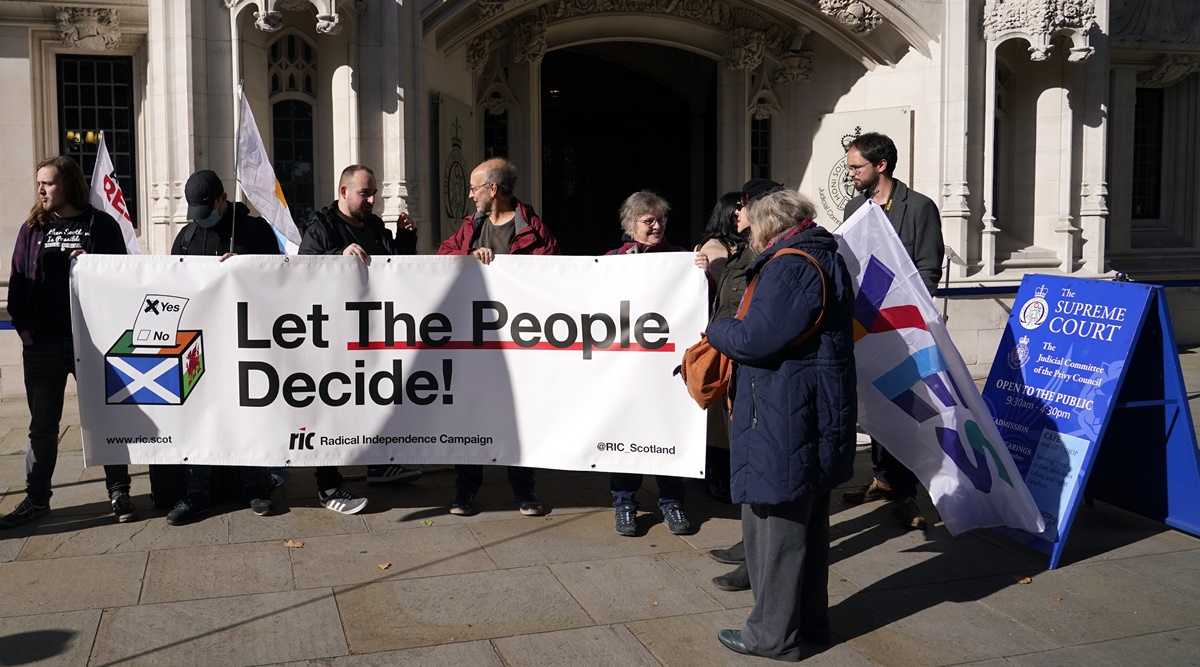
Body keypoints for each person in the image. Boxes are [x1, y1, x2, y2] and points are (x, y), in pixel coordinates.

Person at [707, 188, 857, 661]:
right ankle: (810, 624)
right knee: (806, 528)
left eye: (750, 226)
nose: (747, 234)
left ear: (770, 225)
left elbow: (754, 338)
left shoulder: (789, 264)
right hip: (809, 405)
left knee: (778, 529)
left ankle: (770, 637)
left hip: (786, 410)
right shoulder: (820, 255)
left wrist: (716, 328)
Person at [1, 156, 137, 528]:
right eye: (39, 183)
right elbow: (17, 284)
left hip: (91, 345)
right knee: (43, 425)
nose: (41, 190)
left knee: (104, 417)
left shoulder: (101, 225)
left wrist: (95, 264)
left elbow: (124, 278)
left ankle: (119, 490)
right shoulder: (32, 228)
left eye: (49, 183)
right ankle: (36, 498)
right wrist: (27, 335)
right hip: (43, 346)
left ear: (69, 185)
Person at [438, 158, 557, 517]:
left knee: (518, 417)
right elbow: (444, 256)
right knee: (470, 415)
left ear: (493, 189)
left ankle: (525, 491)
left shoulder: (534, 230)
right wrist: (469, 256)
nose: (470, 194)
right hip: (474, 342)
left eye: (475, 187)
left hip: (517, 342)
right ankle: (465, 491)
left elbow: (550, 275)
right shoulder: (471, 226)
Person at [299, 164, 419, 514]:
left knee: (372, 400)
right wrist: (337, 258)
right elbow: (301, 271)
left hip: (373, 331)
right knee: (329, 408)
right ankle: (328, 485)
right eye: (365, 193)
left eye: (374, 194)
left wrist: (406, 239)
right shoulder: (321, 229)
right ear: (343, 192)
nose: (371, 200)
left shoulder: (376, 226)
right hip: (333, 336)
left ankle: (378, 466)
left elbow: (397, 268)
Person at [840, 131, 945, 531]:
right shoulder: (856, 205)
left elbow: (928, 268)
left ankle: (906, 493)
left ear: (880, 165)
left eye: (857, 166)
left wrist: (907, 313)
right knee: (874, 405)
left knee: (905, 407)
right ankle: (882, 479)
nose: (851, 173)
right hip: (864, 326)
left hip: (902, 330)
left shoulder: (919, 207)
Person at [164, 170, 281, 525]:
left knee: (248, 411)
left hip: (246, 342)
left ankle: (255, 485)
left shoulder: (255, 231)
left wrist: (245, 269)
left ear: (222, 199)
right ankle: (197, 492)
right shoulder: (186, 236)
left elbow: (279, 279)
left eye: (207, 209)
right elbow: (172, 285)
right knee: (199, 415)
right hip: (201, 346)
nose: (203, 218)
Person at [605, 190, 709, 536]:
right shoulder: (610, 261)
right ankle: (624, 503)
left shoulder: (681, 259)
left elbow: (702, 302)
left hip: (667, 366)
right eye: (648, 220)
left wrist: (702, 275)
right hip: (626, 368)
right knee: (626, 433)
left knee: (669, 429)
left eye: (660, 219)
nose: (656, 226)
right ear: (630, 223)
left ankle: (672, 503)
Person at [706, 178, 785, 592]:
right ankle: (749, 543)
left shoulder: (776, 258)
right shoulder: (746, 252)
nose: (736, 213)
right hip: (737, 368)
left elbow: (755, 322)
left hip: (757, 374)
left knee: (759, 465)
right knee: (746, 460)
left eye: (743, 206)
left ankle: (756, 562)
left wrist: (721, 334)